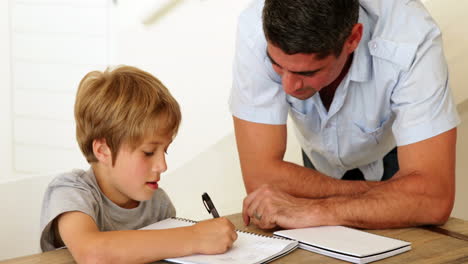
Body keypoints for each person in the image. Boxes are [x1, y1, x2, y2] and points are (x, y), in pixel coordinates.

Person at [229, 0, 460, 230]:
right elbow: (261, 177)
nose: (289, 87)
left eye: (308, 72)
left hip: (388, 155)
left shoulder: (411, 35)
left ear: (352, 39)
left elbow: (434, 199)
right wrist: (396, 194)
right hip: (318, 156)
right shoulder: (254, 28)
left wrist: (314, 208)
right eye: (276, 65)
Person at [40, 66, 237, 263]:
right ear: (103, 151)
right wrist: (195, 237)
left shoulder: (158, 204)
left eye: (165, 151)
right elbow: (92, 253)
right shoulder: (71, 191)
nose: (162, 165)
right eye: (149, 152)